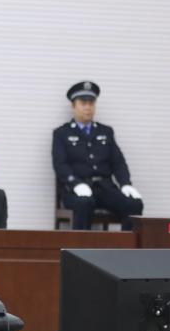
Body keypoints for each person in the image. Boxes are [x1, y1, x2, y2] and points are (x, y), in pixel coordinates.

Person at [52, 82, 143, 230]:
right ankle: (80, 245)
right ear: (73, 106)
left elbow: (118, 162)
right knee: (83, 203)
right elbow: (60, 165)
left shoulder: (105, 132)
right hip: (76, 189)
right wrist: (76, 184)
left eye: (91, 103)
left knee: (134, 204)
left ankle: (126, 245)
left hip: (105, 188)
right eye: (83, 103)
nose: (88, 107)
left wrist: (125, 183)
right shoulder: (62, 133)